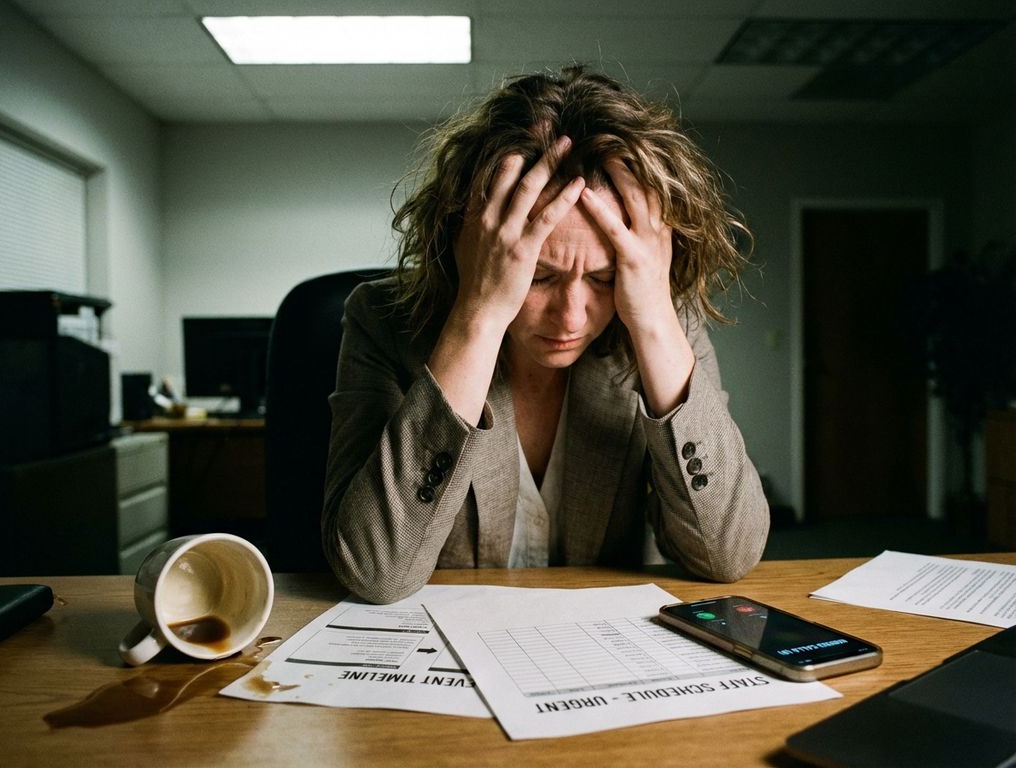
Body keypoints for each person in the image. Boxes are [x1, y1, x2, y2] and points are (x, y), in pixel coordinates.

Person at [322, 66, 769, 604]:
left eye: (604, 279)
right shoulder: (381, 321)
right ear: (474, 247)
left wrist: (651, 317)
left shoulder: (663, 329)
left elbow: (729, 555)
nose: (572, 318)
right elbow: (375, 572)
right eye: (539, 277)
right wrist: (479, 316)